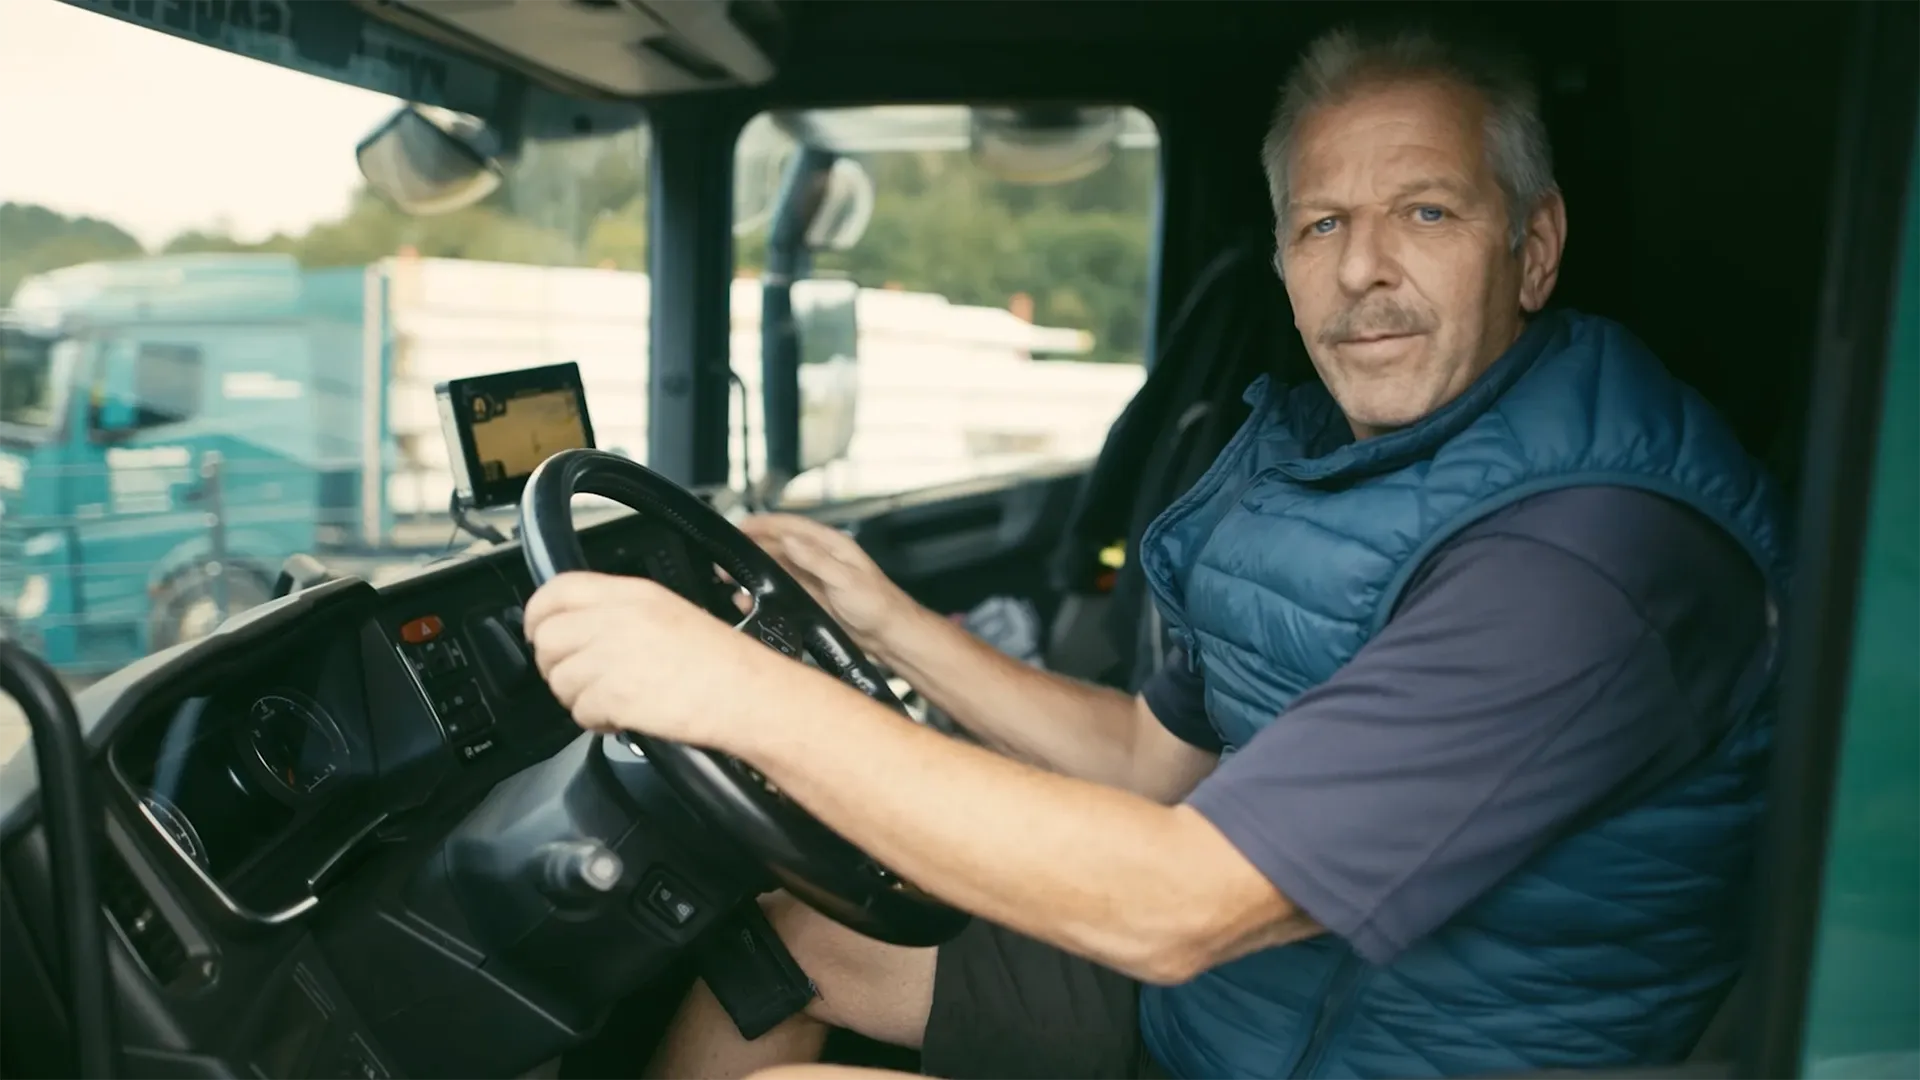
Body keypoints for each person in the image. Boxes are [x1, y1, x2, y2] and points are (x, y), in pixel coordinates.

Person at [522, 22, 1791, 1080]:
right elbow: (1148, 765)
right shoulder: (1312, 454)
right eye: (1319, 224)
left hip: (1360, 1043)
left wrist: (739, 691)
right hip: (1245, 1011)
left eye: (1426, 211)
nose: (1363, 270)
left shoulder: (1590, 563)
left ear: (1536, 245)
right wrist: (883, 621)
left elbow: (1175, 900)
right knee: (787, 942)